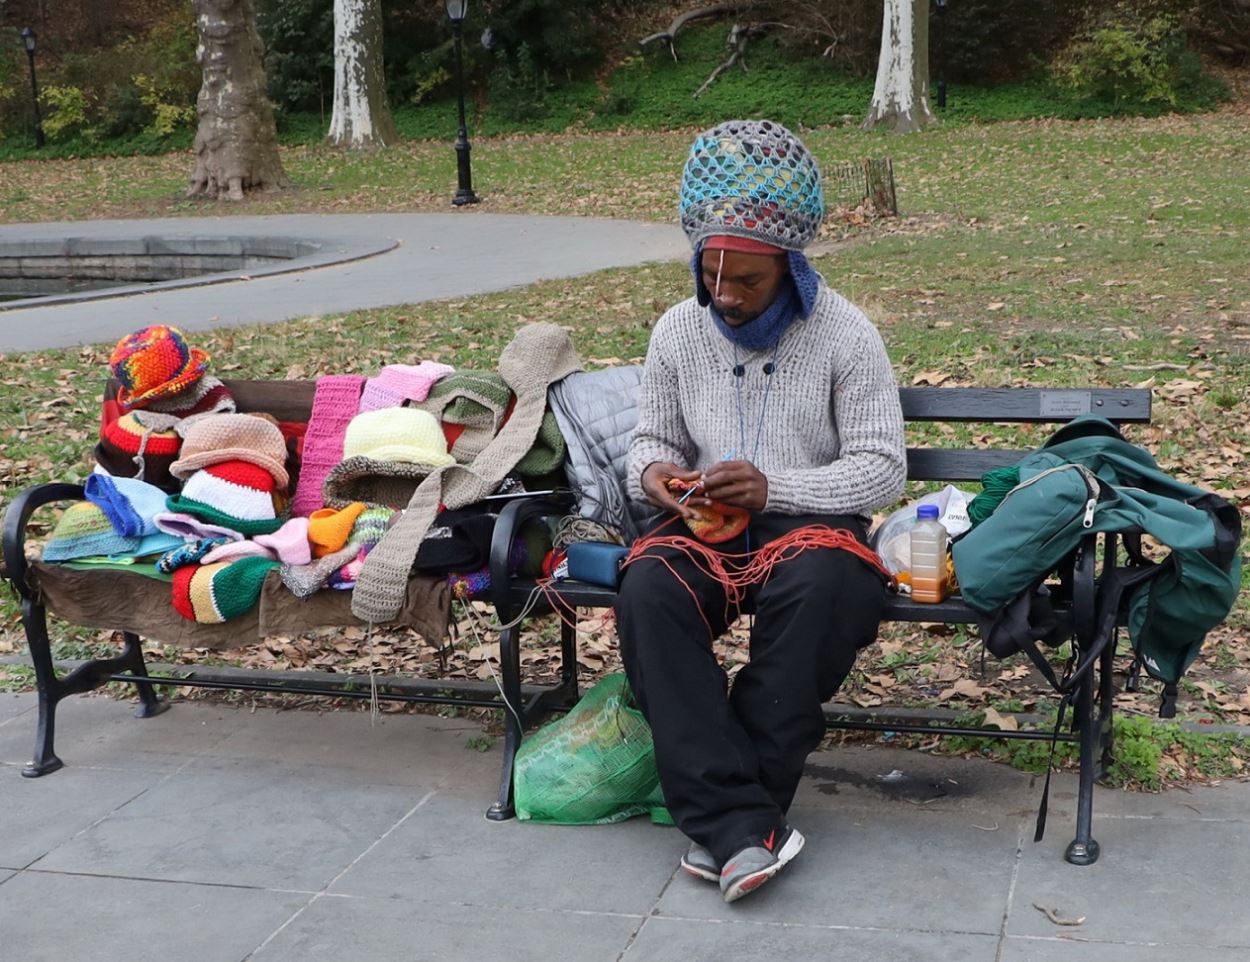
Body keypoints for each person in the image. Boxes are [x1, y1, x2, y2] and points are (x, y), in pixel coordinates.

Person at [615, 119, 907, 903]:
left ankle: (729, 822)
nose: (725, 294)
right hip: (707, 525)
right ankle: (742, 826)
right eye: (712, 275)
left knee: (827, 590)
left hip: (812, 526)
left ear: (789, 267)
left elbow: (882, 468)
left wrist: (775, 489)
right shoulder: (678, 330)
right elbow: (649, 443)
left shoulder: (845, 334)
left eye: (747, 280)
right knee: (648, 591)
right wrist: (658, 479)